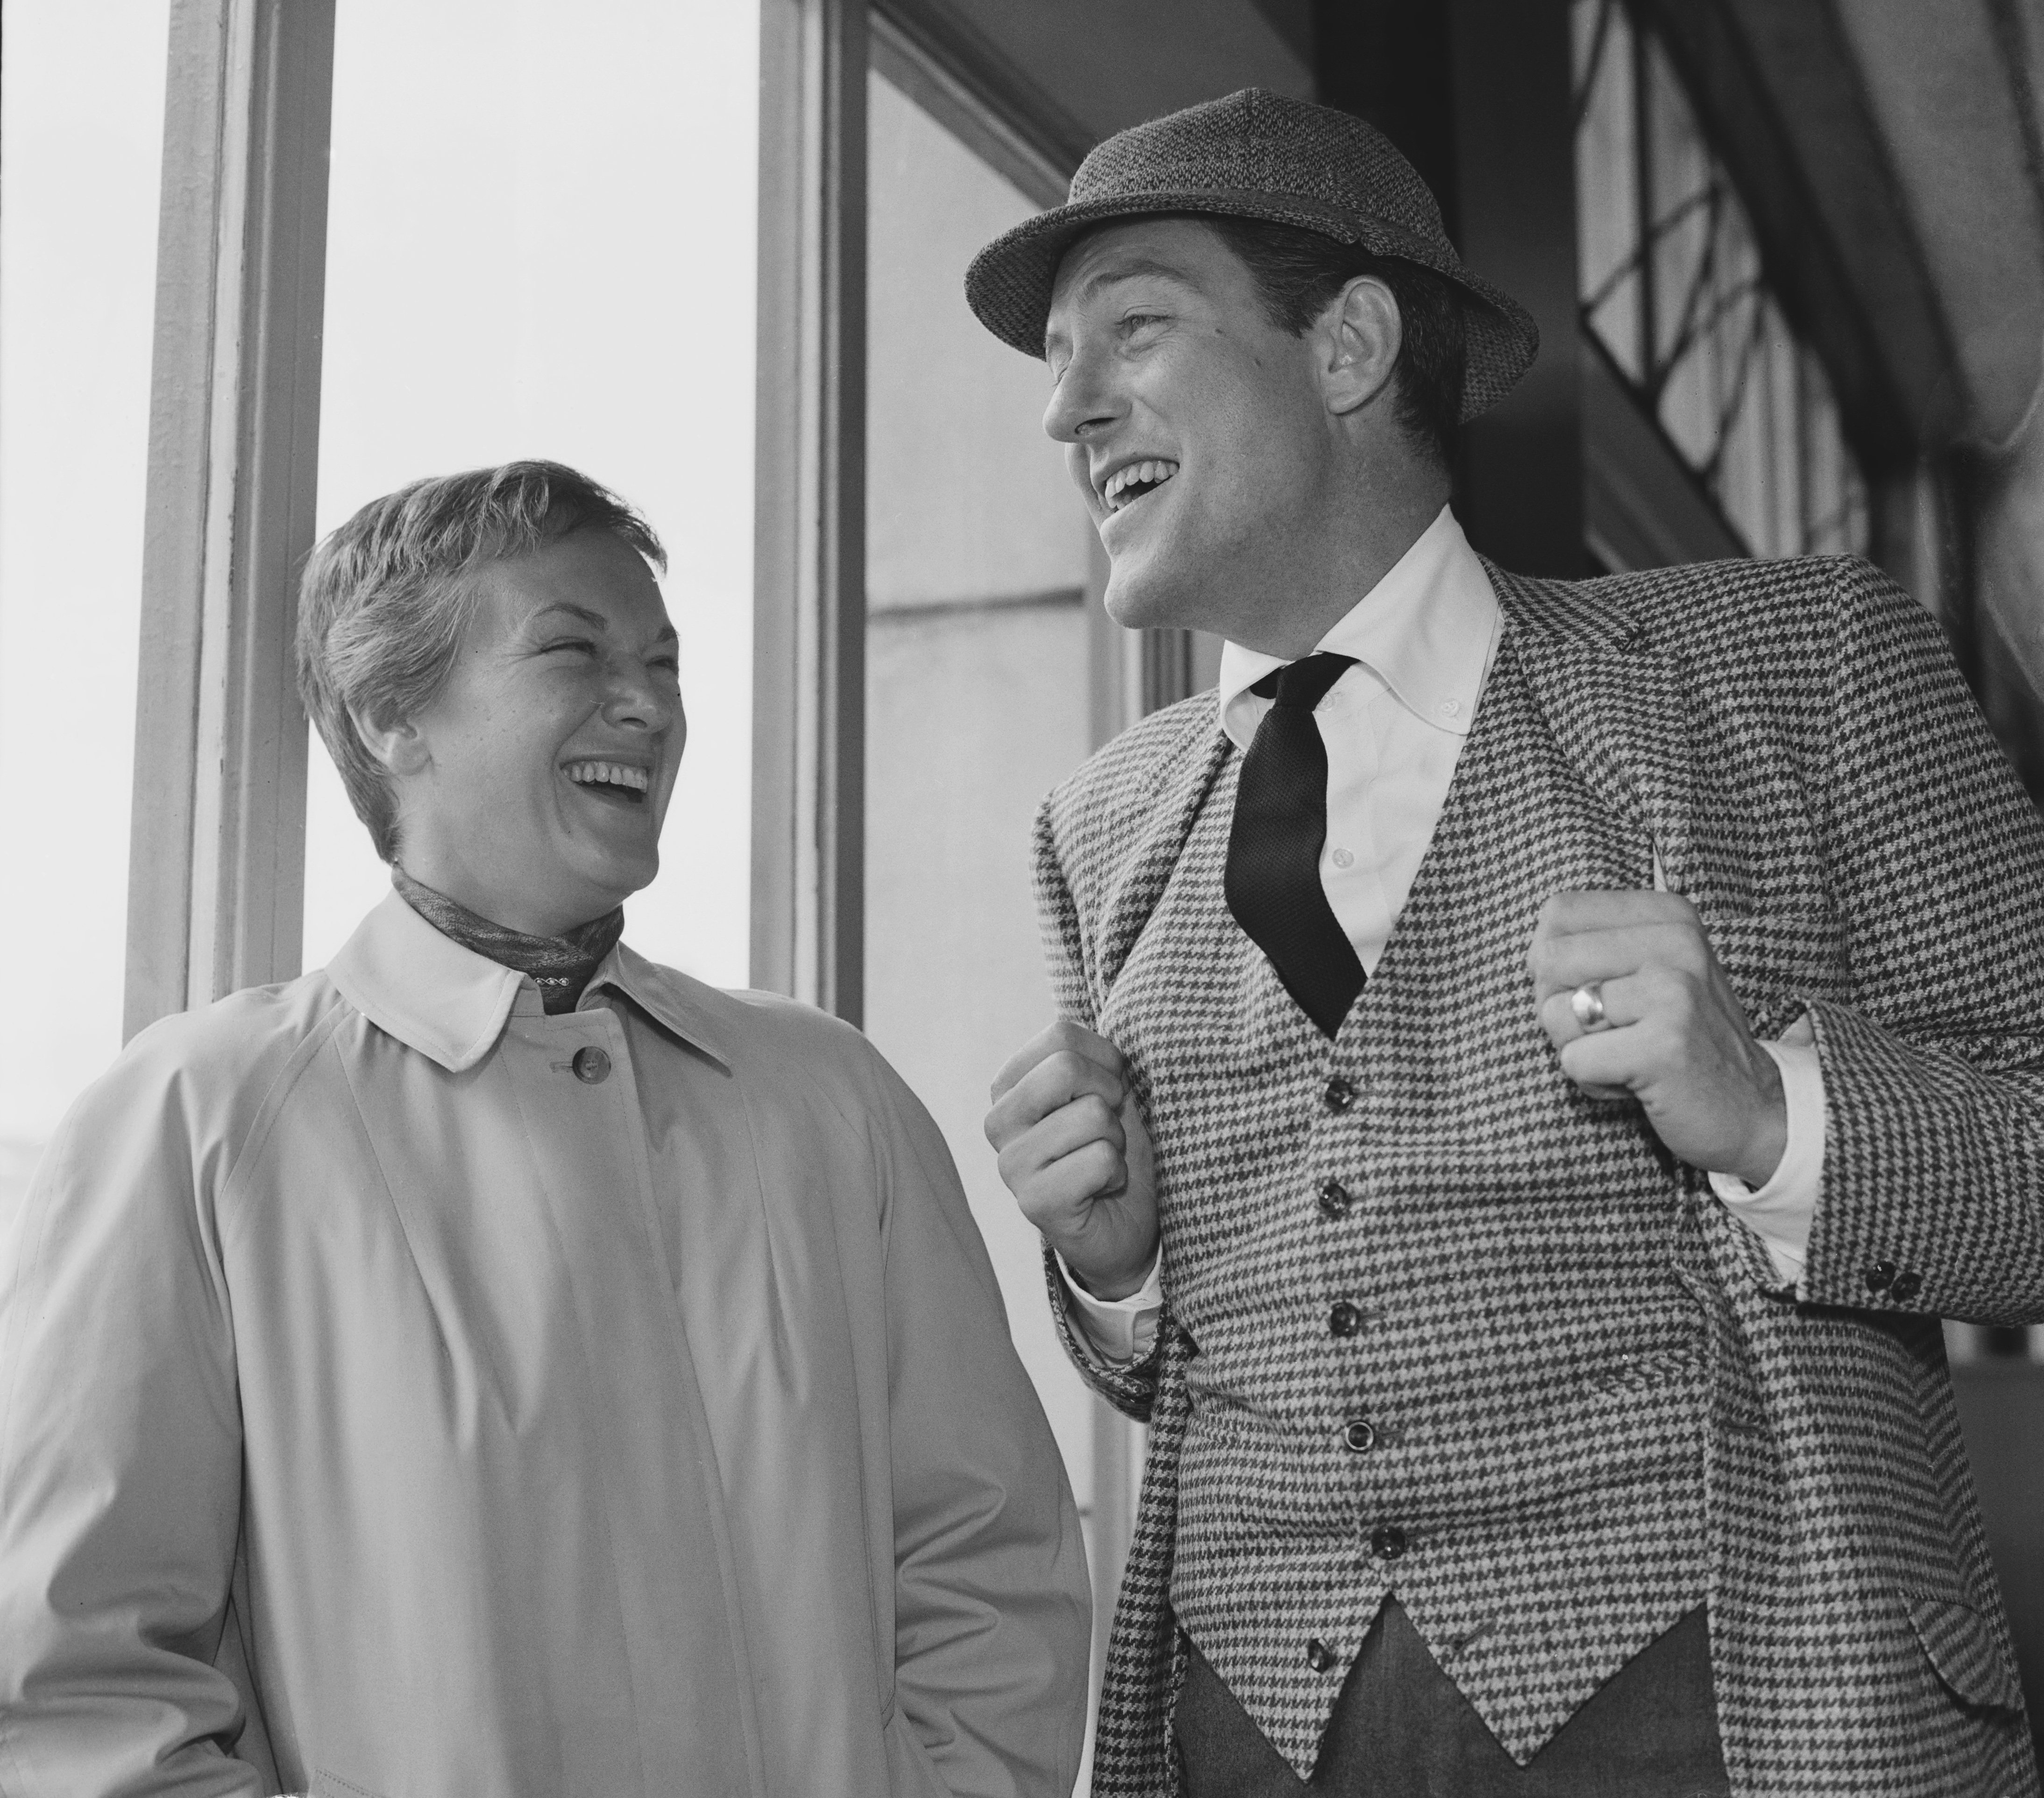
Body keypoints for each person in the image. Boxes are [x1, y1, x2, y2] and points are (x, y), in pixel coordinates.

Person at [966, 89, 2044, 1797]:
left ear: (1351, 347)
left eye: (1136, 330)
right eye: (1055, 357)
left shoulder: (1793, 663)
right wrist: (1119, 1271)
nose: (1066, 406)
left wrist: (1775, 1115)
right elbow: (1214, 1359)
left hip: (1729, 1710)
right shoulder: (1098, 827)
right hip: (1252, 1721)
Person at [0, 461, 1090, 1798]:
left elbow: (992, 1567)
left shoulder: (830, 1097)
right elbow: (80, 1688)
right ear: (392, 714)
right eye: (574, 649)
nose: (649, 704)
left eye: (664, 661)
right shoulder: (197, 1121)